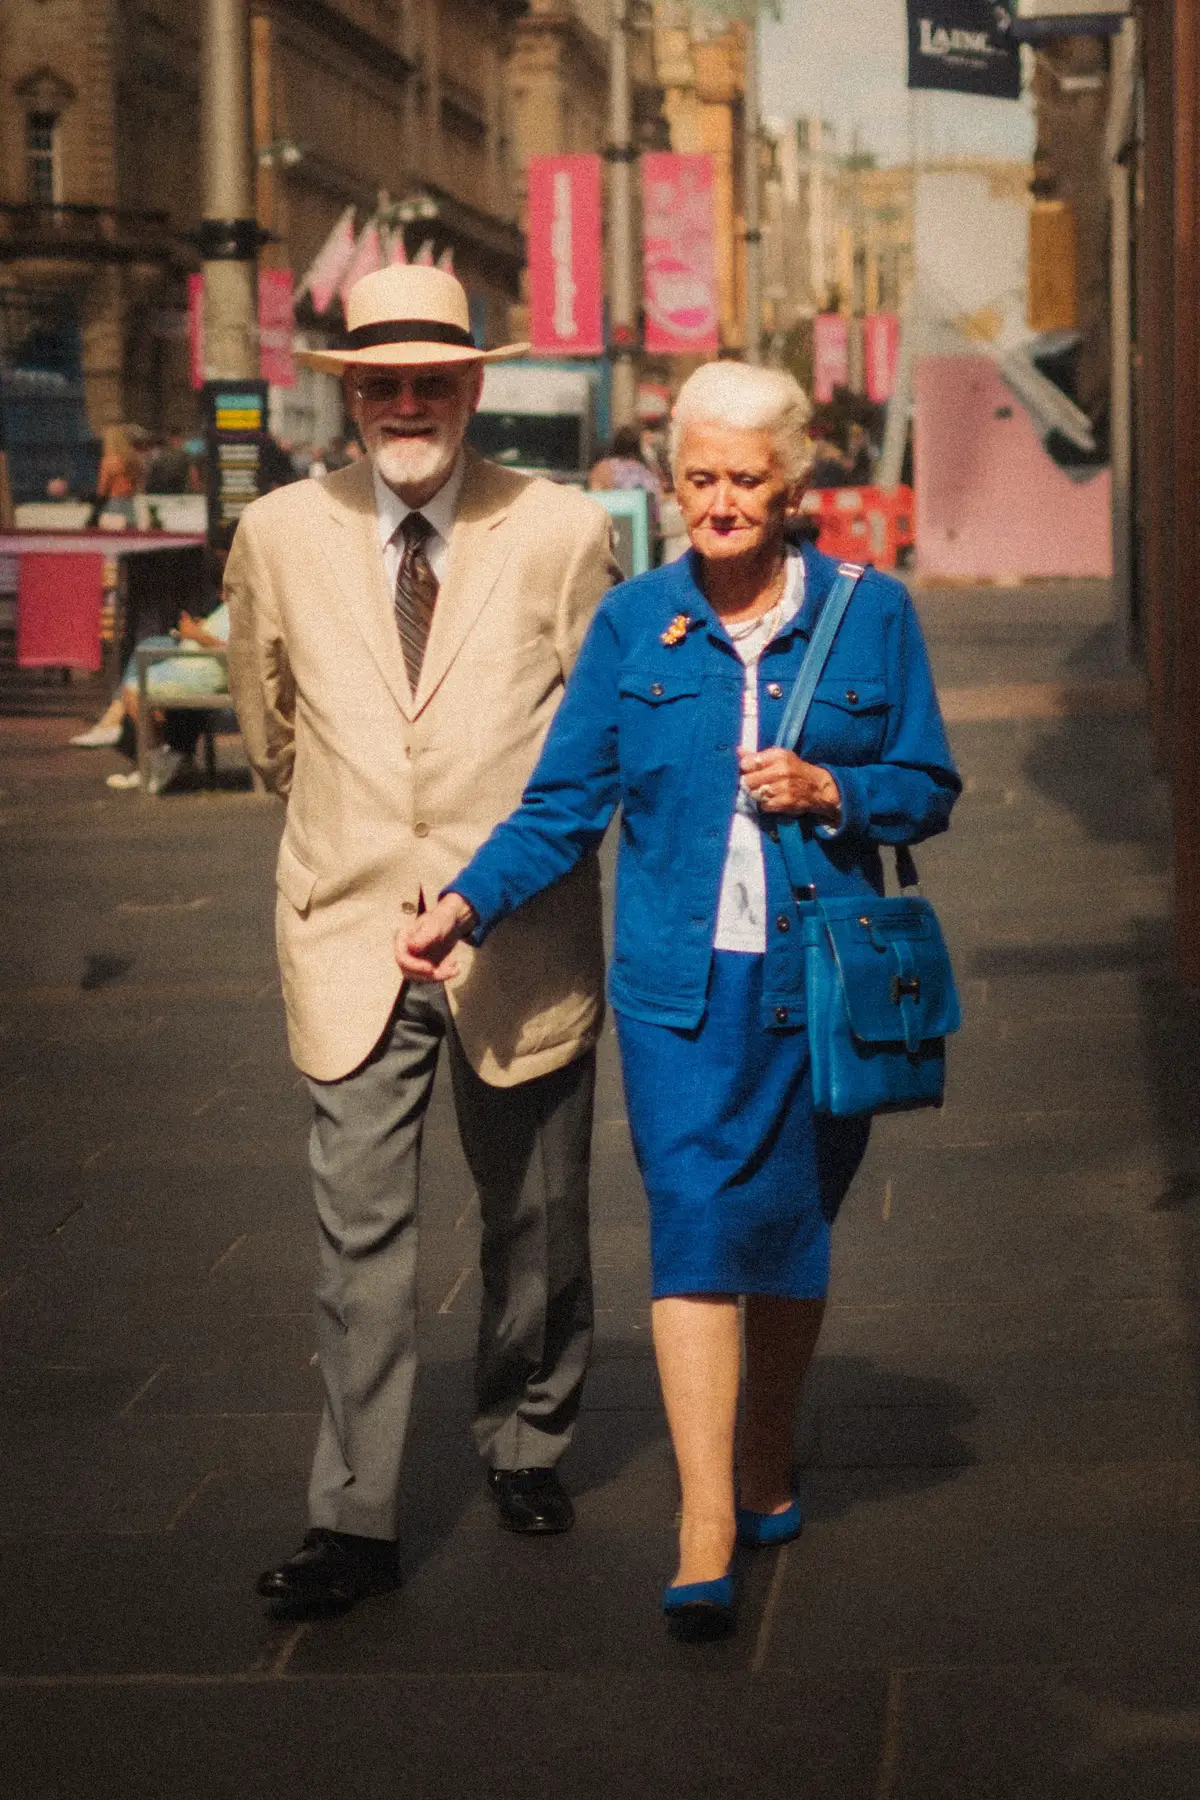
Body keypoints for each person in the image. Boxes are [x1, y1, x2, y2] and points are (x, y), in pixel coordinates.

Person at [398, 361, 960, 1638]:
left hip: (821, 986)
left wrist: (836, 793)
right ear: (670, 482)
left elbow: (927, 781)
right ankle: (706, 1512)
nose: (719, 502)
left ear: (792, 483)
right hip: (677, 993)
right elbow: (563, 804)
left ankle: (767, 1453)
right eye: (697, 477)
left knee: (795, 1223)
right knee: (698, 1222)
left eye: (744, 479)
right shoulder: (633, 623)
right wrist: (463, 906)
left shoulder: (871, 617)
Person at [224, 264, 618, 1618]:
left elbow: (596, 738)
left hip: (522, 934)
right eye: (380, 381)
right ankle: (355, 1519)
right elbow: (267, 720)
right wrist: (351, 834)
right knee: (360, 1247)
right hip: (345, 931)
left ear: (473, 385)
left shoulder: (561, 531)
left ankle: (525, 1437)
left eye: (431, 380)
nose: (406, 403)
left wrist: (488, 869)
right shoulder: (277, 531)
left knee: (538, 1217)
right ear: (347, 392)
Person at [99, 601, 231, 793]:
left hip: (203, 676)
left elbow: (232, 650)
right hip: (191, 667)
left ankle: (157, 761)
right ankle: (160, 760)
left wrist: (195, 634)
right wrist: (198, 630)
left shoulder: (241, 609)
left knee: (135, 689)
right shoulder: (226, 608)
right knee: (139, 677)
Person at [94, 424, 145, 523]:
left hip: (114, 501)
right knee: (130, 532)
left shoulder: (109, 461)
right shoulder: (133, 460)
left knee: (114, 534)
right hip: (129, 501)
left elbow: (103, 487)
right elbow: (139, 483)